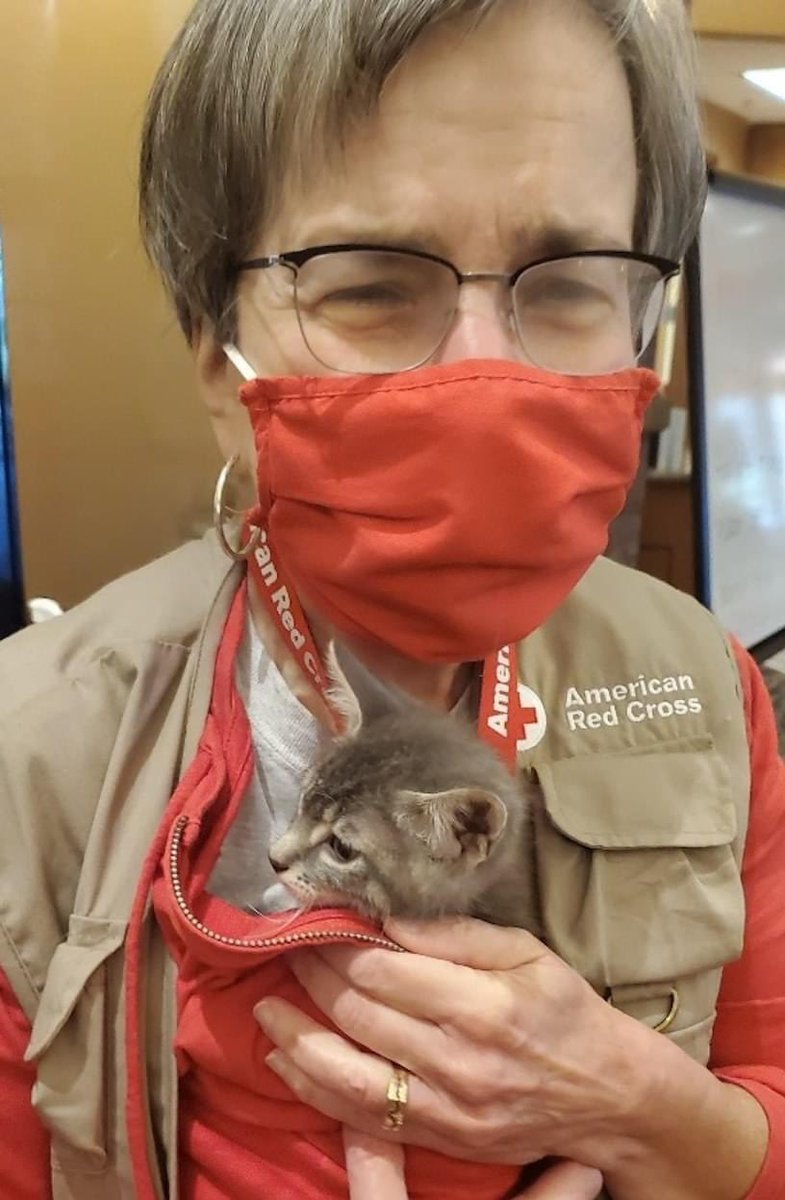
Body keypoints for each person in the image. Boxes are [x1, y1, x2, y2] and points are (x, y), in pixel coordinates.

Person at [1, 1, 784, 1198]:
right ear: (217, 354)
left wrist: (660, 1119)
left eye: (568, 279)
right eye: (368, 285)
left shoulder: (707, 682)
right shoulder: (32, 756)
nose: (485, 369)